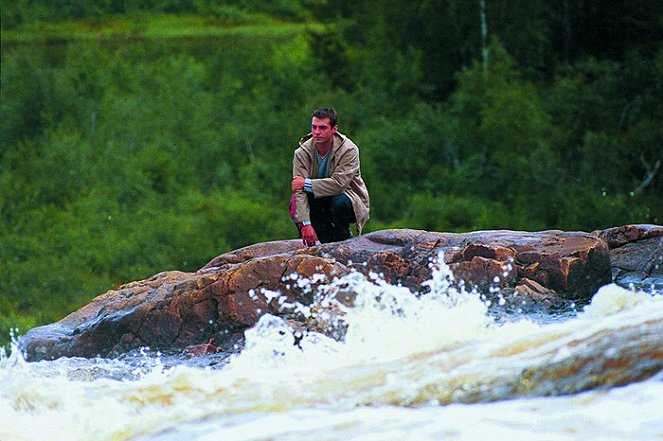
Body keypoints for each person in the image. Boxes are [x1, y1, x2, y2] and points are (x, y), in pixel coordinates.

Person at [290, 107, 370, 246]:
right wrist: (305, 224)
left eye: (322, 128)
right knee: (296, 203)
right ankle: (325, 243)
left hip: (347, 198)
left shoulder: (349, 150)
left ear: (334, 129)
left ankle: (344, 238)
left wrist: (306, 184)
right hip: (318, 200)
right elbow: (299, 191)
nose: (317, 132)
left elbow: (339, 185)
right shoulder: (302, 153)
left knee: (339, 202)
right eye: (314, 127)